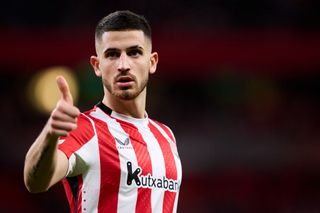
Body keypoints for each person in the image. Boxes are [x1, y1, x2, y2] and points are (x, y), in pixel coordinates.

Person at [23, 10, 182, 213]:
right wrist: (50, 133)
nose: (124, 65)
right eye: (112, 54)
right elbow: (35, 182)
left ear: (152, 62)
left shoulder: (166, 135)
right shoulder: (85, 129)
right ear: (97, 66)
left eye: (134, 52)